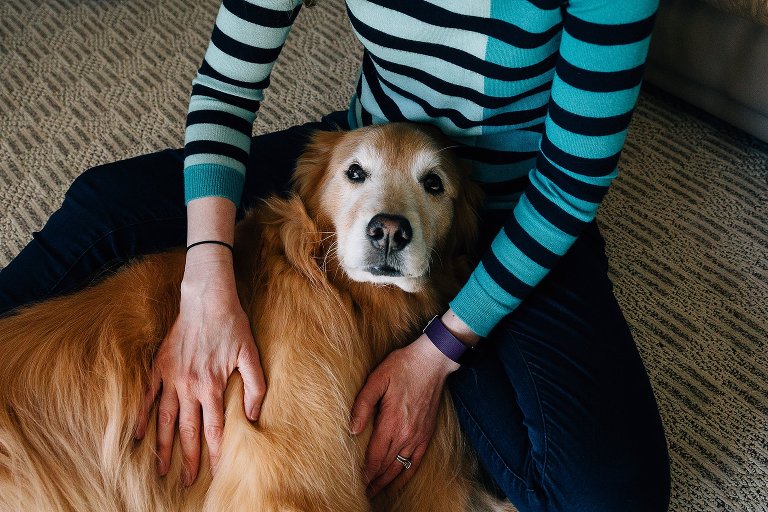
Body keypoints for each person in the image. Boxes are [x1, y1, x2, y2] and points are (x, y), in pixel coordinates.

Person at [0, 0, 671, 510]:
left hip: (521, 200)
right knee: (106, 203)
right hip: (360, 156)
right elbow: (226, 89)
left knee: (610, 493)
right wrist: (206, 281)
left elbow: (571, 181)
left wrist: (436, 350)